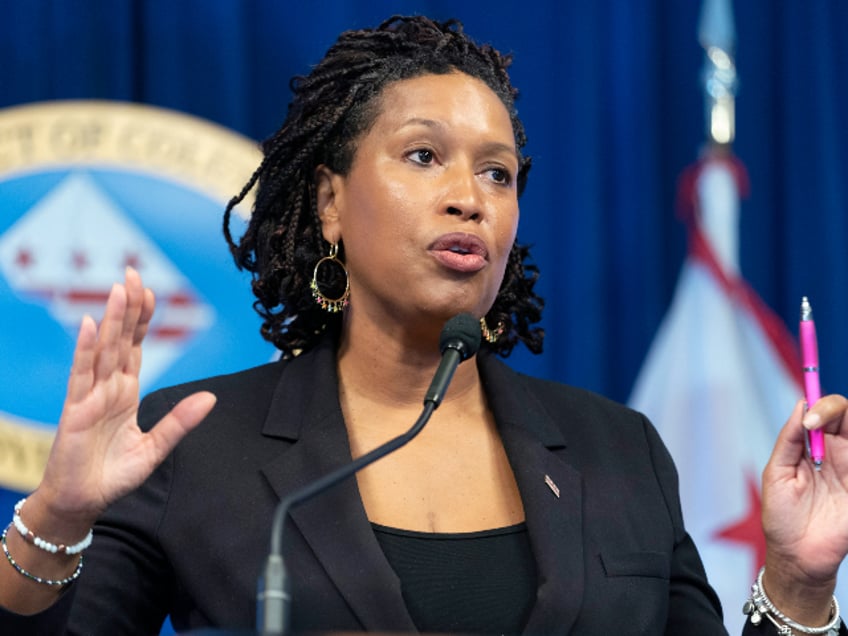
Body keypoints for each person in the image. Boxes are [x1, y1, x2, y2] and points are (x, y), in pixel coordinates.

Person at [1, 15, 847, 635]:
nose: (469, 197)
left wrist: (803, 587)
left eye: (499, 173)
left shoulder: (618, 452)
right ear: (331, 202)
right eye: (422, 156)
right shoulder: (197, 446)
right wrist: (56, 520)